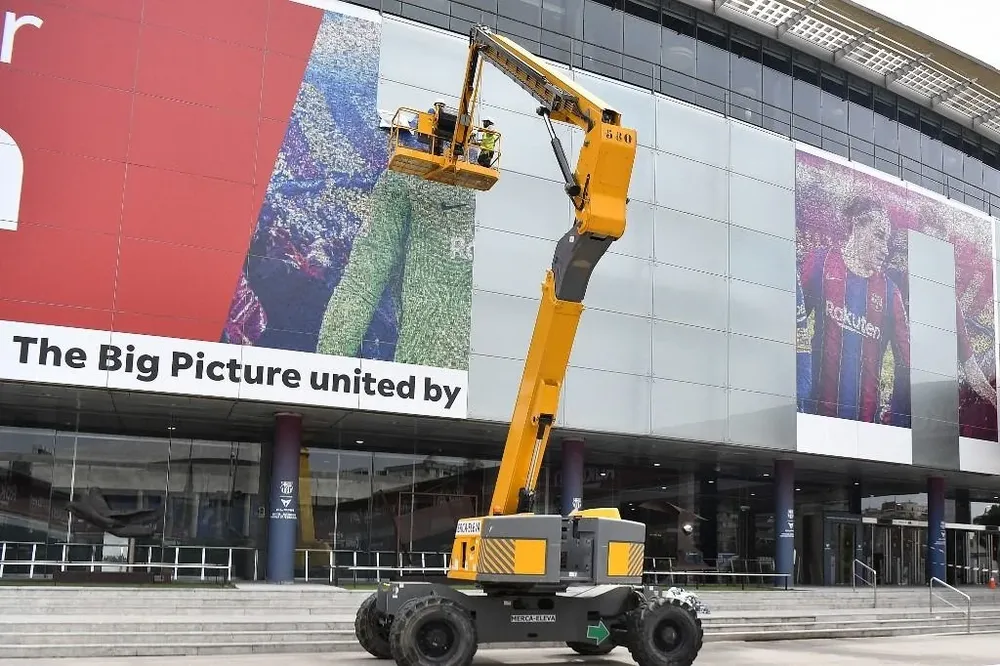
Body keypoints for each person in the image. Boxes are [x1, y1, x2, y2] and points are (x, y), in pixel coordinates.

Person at [797, 195, 911, 426]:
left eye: (887, 241)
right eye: (879, 236)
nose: (884, 249)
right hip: (815, 416)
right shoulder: (821, 262)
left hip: (865, 427)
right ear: (858, 226)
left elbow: (908, 360)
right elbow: (793, 324)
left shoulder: (891, 292)